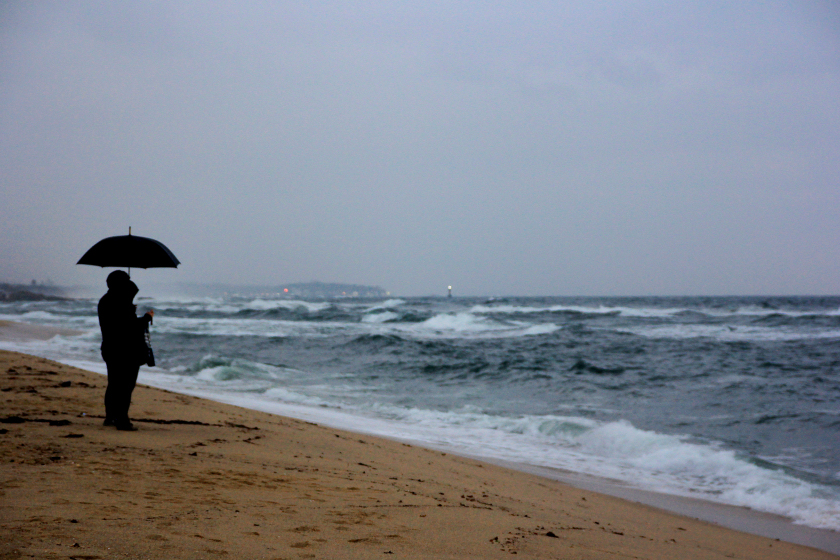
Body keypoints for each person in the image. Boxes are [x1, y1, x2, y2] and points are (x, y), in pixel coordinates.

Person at [98, 270, 154, 431]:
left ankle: (110, 416)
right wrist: (146, 318)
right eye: (127, 281)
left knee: (114, 384)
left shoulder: (106, 300)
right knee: (125, 386)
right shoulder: (120, 302)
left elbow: (122, 324)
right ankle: (122, 420)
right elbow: (130, 326)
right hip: (126, 351)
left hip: (110, 348)